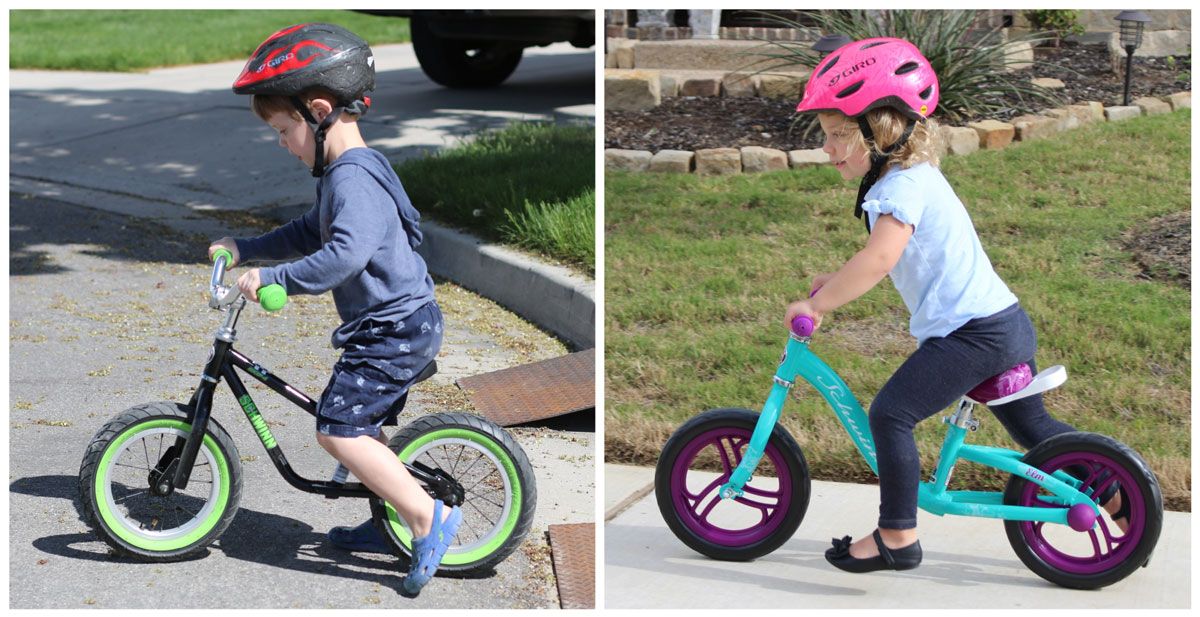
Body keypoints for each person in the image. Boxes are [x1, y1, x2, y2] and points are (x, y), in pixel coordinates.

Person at [784, 37, 1126, 573]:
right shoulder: (911, 179)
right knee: (1033, 429)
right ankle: (1122, 493)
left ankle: (897, 534)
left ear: (879, 132)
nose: (825, 149)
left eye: (833, 136)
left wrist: (819, 302)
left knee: (891, 414)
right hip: (1002, 325)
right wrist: (835, 279)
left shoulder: (898, 190)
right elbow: (892, 256)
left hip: (974, 336)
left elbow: (878, 260)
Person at [208, 22, 459, 595]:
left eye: (284, 128)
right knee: (360, 428)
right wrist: (247, 247)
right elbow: (309, 232)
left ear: (319, 110)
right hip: (391, 324)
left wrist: (275, 280)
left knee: (338, 429)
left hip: (394, 328)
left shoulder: (353, 179)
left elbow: (342, 256)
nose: (282, 142)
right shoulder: (346, 174)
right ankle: (390, 517)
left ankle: (425, 517)